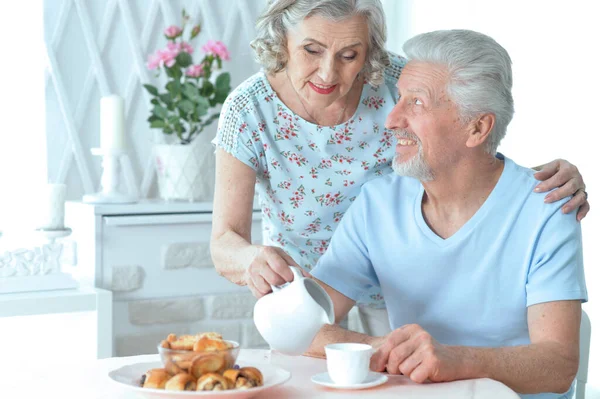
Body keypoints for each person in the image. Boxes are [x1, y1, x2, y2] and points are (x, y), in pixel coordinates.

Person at [210, 0, 590, 337]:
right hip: (310, 282)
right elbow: (225, 239)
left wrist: (538, 186)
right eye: (311, 50)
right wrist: (252, 260)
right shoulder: (248, 110)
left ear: (370, 51)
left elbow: (470, 145)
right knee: (308, 359)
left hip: (405, 277)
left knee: (404, 372)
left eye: (349, 55)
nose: (328, 73)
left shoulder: (400, 83)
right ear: (283, 41)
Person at [308, 29, 587, 399]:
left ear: (477, 127)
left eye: (416, 103)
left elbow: (557, 366)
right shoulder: (377, 204)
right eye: (399, 98)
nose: (392, 119)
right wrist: (384, 348)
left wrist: (455, 360)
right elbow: (307, 327)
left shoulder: (548, 207)